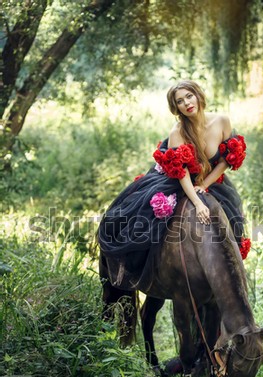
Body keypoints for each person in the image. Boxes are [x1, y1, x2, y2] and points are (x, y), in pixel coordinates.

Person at [98, 80, 251, 290]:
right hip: (177, 182)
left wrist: (204, 185)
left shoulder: (221, 121)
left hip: (211, 181)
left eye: (189, 96)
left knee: (231, 223)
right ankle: (144, 272)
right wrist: (197, 202)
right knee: (147, 221)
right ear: (176, 107)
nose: (187, 103)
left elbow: (226, 159)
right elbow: (182, 173)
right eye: (180, 101)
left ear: (198, 95)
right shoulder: (177, 133)